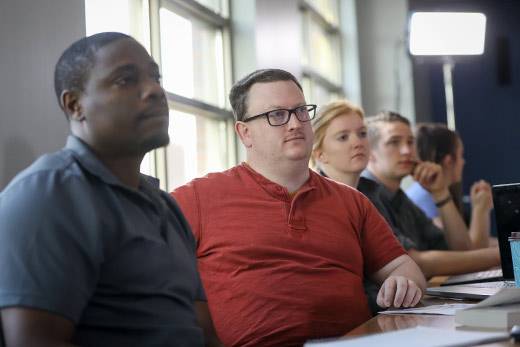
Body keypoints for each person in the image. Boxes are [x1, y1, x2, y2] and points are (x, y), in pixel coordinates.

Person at [172, 69, 426, 347]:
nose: (294, 123)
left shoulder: (352, 201)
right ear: (245, 133)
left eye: (300, 111)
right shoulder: (199, 198)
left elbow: (404, 266)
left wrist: (404, 281)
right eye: (277, 115)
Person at [0, 32, 220, 347]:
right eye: (125, 80)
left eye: (155, 77)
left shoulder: (166, 208)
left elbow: (205, 335)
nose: (155, 90)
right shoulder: (47, 195)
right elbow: (34, 342)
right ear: (75, 105)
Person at [362, 111, 500, 278]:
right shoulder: (364, 195)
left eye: (410, 142)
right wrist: (506, 253)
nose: (406, 150)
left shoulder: (401, 198)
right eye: (394, 142)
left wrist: (440, 193)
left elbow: (462, 250)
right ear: (370, 152)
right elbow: (415, 263)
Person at [406, 123, 494, 248]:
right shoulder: (425, 196)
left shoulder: (427, 192)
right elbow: (468, 250)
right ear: (448, 161)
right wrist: (481, 210)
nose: (463, 162)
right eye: (461, 155)